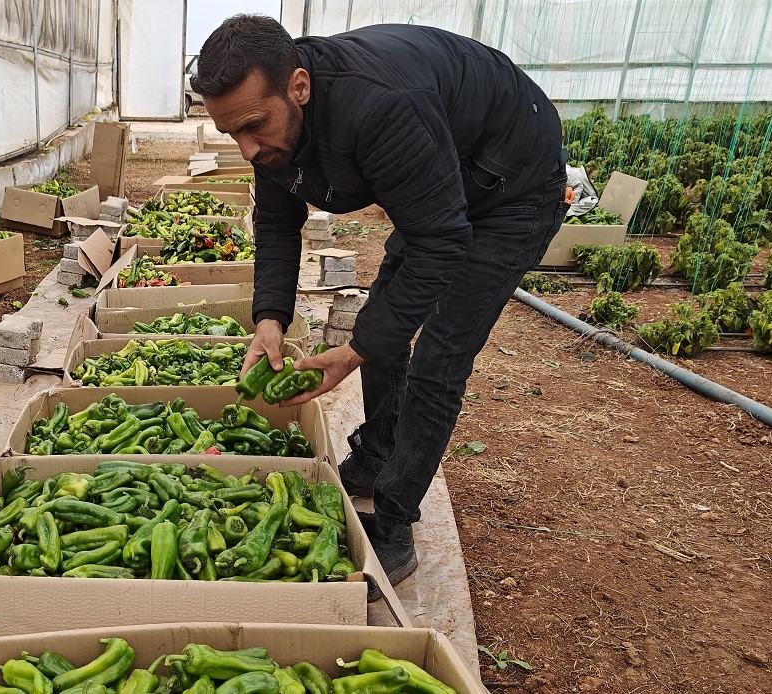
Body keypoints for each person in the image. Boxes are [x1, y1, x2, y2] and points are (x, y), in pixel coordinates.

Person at [193, 16, 568, 596]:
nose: (245, 148)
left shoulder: (380, 106)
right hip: (446, 172)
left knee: (439, 355)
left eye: (253, 127)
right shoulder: (275, 128)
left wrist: (357, 351)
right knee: (384, 318)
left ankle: (394, 524)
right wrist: (270, 317)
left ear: (298, 86)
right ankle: (377, 454)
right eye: (230, 133)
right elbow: (276, 218)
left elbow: (442, 241)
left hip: (511, 182)